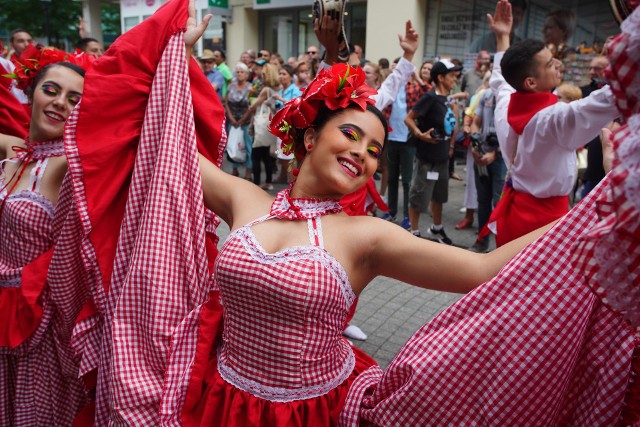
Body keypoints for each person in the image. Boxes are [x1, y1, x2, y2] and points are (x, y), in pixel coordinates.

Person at [0, 49, 90, 425]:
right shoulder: (14, 154)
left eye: (74, 99)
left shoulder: (70, 165)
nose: (60, 103)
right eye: (51, 90)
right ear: (31, 90)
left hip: (42, 325)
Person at [486, 0, 619, 246]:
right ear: (531, 83)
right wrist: (624, 62)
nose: (558, 63)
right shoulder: (553, 120)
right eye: (549, 63)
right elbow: (606, 100)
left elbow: (500, 81)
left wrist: (503, 37)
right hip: (548, 224)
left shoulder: (507, 106)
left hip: (514, 216)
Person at [405, 59, 462, 244]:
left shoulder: (448, 99)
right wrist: (420, 135)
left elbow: (453, 128)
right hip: (427, 158)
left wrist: (452, 144)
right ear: (440, 77)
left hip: (442, 157)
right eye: (452, 75)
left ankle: (436, 228)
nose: (455, 78)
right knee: (419, 195)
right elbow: (409, 119)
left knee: (439, 196)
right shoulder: (430, 97)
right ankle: (414, 231)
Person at [272, 64, 302, 184]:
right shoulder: (280, 90)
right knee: (281, 155)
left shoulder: (295, 90)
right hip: (281, 127)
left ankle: (293, 183)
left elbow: (296, 106)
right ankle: (283, 177)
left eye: (284, 74)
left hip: (290, 128)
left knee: (288, 157)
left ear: (291, 76)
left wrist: (281, 99)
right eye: (280, 74)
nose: (281, 76)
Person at [225, 62, 253, 180]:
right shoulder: (231, 86)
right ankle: (235, 170)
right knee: (232, 144)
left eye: (242, 72)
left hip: (245, 121)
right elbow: (226, 101)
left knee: (247, 147)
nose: (239, 74)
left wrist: (243, 119)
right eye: (238, 72)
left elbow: (251, 105)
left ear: (247, 74)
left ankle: (248, 173)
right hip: (232, 120)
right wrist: (230, 117)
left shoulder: (250, 87)